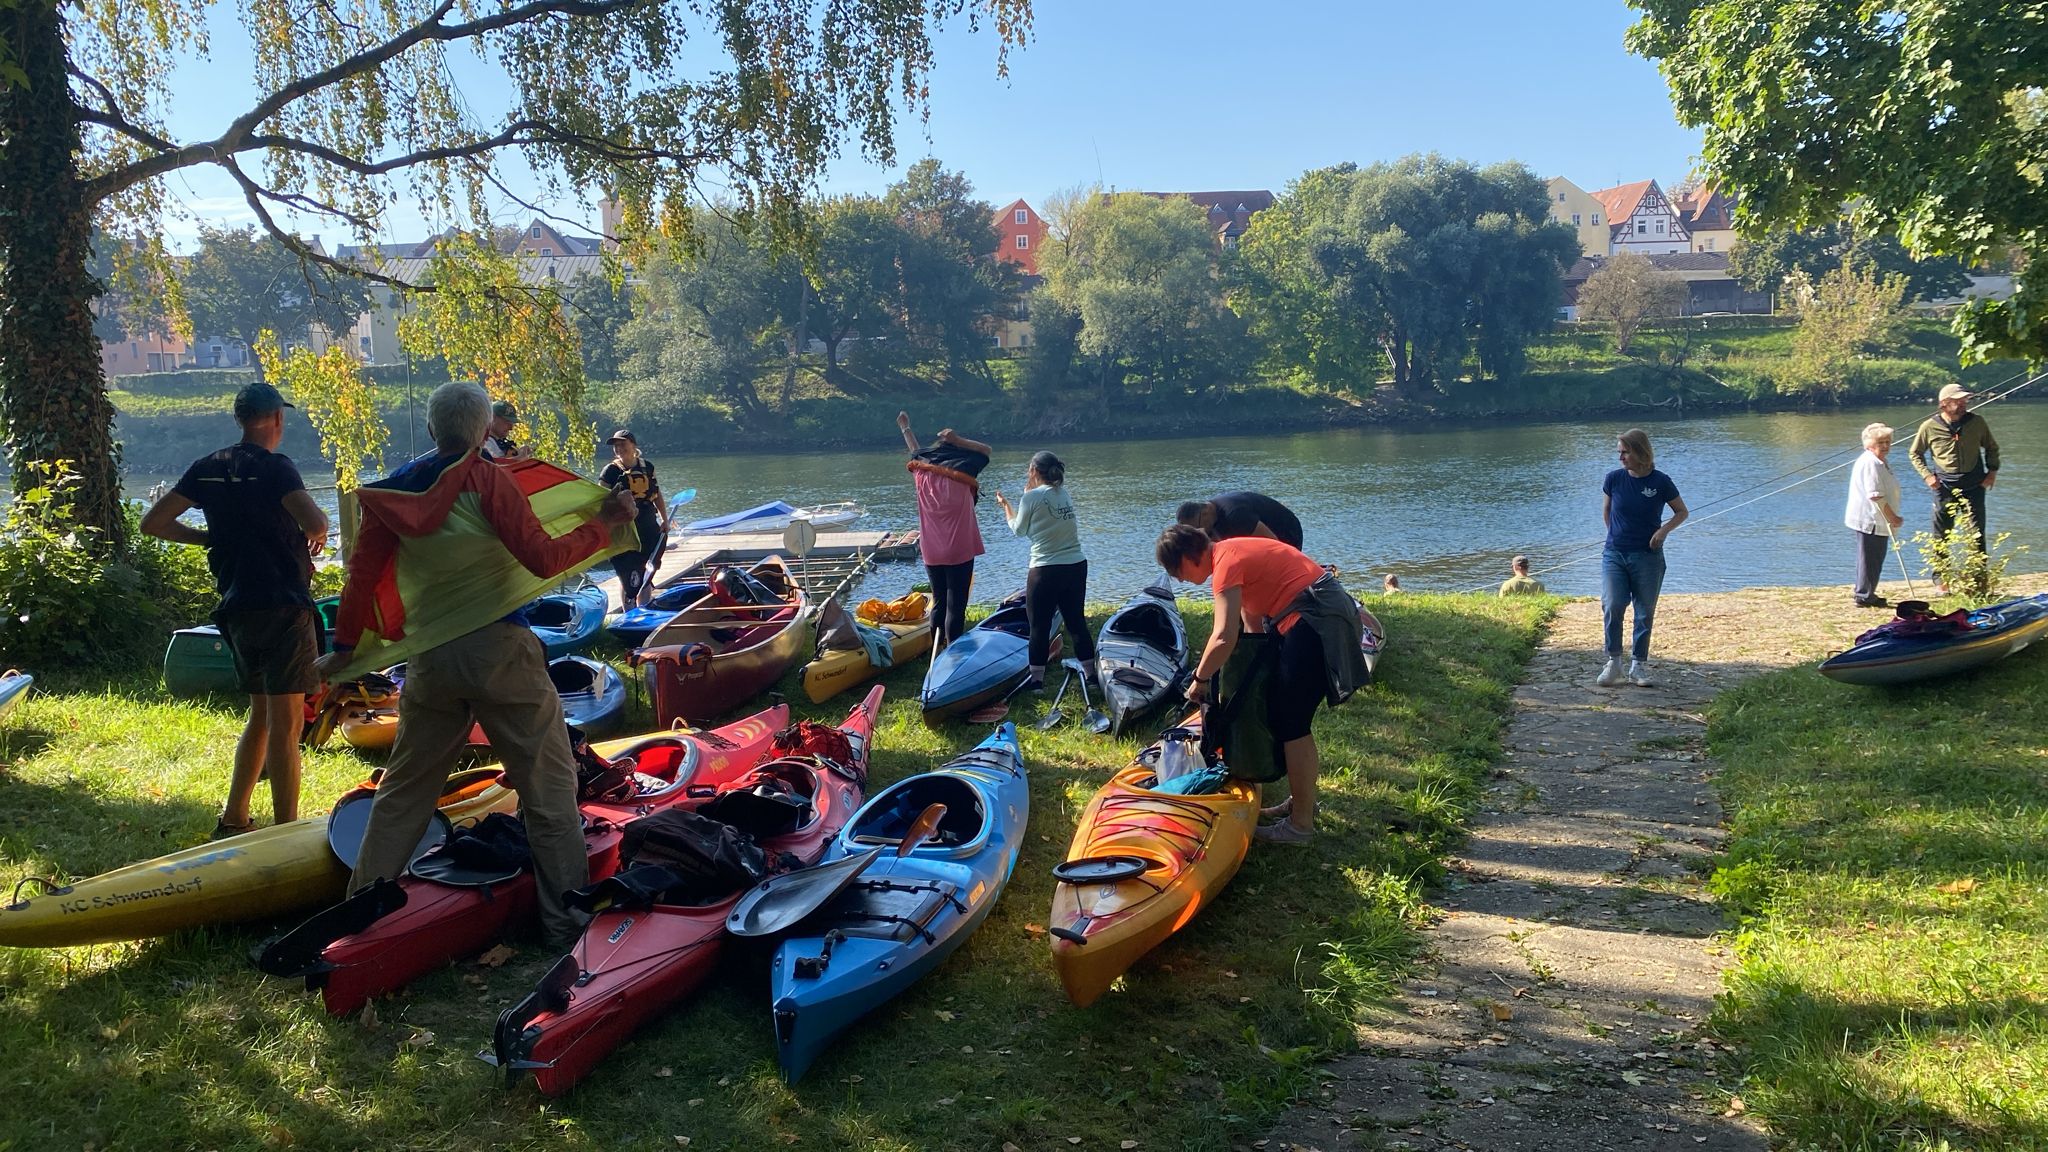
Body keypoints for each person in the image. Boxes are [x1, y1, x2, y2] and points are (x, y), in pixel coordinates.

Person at [314, 382, 634, 945]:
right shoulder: (490, 479)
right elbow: (541, 556)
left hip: (432, 662)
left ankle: (360, 919)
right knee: (548, 788)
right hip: (500, 653)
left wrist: (345, 650)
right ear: (485, 429)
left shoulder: (392, 494)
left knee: (404, 793)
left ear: (434, 430)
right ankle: (565, 924)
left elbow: (361, 581)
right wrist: (601, 526)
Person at [141, 382, 330, 838]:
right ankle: (286, 830)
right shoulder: (277, 468)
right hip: (283, 603)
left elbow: (154, 522)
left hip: (237, 604)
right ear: (277, 420)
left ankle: (234, 818)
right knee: (286, 726)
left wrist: (209, 538)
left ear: (241, 419)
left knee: (261, 715)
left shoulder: (207, 468)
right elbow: (317, 522)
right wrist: (316, 537)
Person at [1156, 524, 1367, 846]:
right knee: (1288, 717)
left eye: (1177, 570)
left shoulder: (1226, 564)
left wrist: (1199, 680)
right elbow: (1250, 629)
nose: (1179, 579)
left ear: (1189, 556)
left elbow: (1224, 636)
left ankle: (1300, 827)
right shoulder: (1230, 552)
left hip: (1316, 620)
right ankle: (1301, 804)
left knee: (1291, 724)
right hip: (1316, 613)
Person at [993, 451, 1096, 690]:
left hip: (1046, 569)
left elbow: (1019, 530)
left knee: (1038, 626)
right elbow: (1042, 529)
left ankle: (1037, 682)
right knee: (1076, 622)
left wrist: (1007, 506)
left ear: (1033, 471)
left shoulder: (1031, 498)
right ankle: (1091, 677)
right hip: (1076, 565)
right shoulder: (1064, 494)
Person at [1599, 428, 1689, 688]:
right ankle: (1613, 661)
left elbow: (1682, 512)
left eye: (1625, 452)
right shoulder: (1613, 479)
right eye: (1619, 452)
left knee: (1644, 611)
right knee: (1613, 604)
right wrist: (1616, 536)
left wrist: (1663, 531)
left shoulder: (1660, 481)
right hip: (1615, 553)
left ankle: (1638, 665)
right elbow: (1607, 512)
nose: (1621, 458)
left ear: (1640, 452)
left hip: (1648, 557)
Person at [898, 412, 990, 647]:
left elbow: (914, 451)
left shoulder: (921, 472)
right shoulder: (964, 471)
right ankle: (953, 650)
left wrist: (905, 428)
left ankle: (936, 648)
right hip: (959, 547)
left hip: (931, 549)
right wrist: (959, 440)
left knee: (939, 601)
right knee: (956, 604)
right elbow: (985, 450)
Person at [1909, 383, 2000, 559]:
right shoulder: (1929, 427)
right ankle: (1941, 581)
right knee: (1941, 535)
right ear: (1944, 403)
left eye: (1965, 400)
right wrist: (1927, 476)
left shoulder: (1977, 422)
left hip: (1974, 485)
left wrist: (1992, 472)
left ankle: (1978, 578)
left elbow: (1991, 447)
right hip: (1943, 487)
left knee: (1976, 534)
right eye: (1958, 401)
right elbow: (1915, 454)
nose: (1963, 404)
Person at [599, 429, 668, 607]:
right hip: (624, 526)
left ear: (633, 445)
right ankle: (628, 612)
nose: (619, 448)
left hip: (647, 523)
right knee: (627, 571)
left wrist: (665, 519)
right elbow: (600, 499)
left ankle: (644, 607)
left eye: (623, 444)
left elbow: (657, 494)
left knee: (649, 566)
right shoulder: (610, 471)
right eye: (616, 446)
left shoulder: (647, 467)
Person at [1846, 422, 1906, 608]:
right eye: (1881, 442)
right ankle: (1864, 595)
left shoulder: (1880, 461)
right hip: (1870, 518)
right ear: (1869, 444)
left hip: (1876, 519)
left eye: (1888, 442)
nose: (1886, 446)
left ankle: (1868, 592)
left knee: (1875, 557)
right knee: (1869, 557)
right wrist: (1892, 517)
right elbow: (1876, 496)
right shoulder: (1871, 463)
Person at [1174, 491, 1304, 550]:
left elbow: (1274, 543)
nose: (1200, 533)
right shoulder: (1212, 519)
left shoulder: (1234, 514)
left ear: (1205, 512)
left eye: (1197, 528)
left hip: (1287, 532)